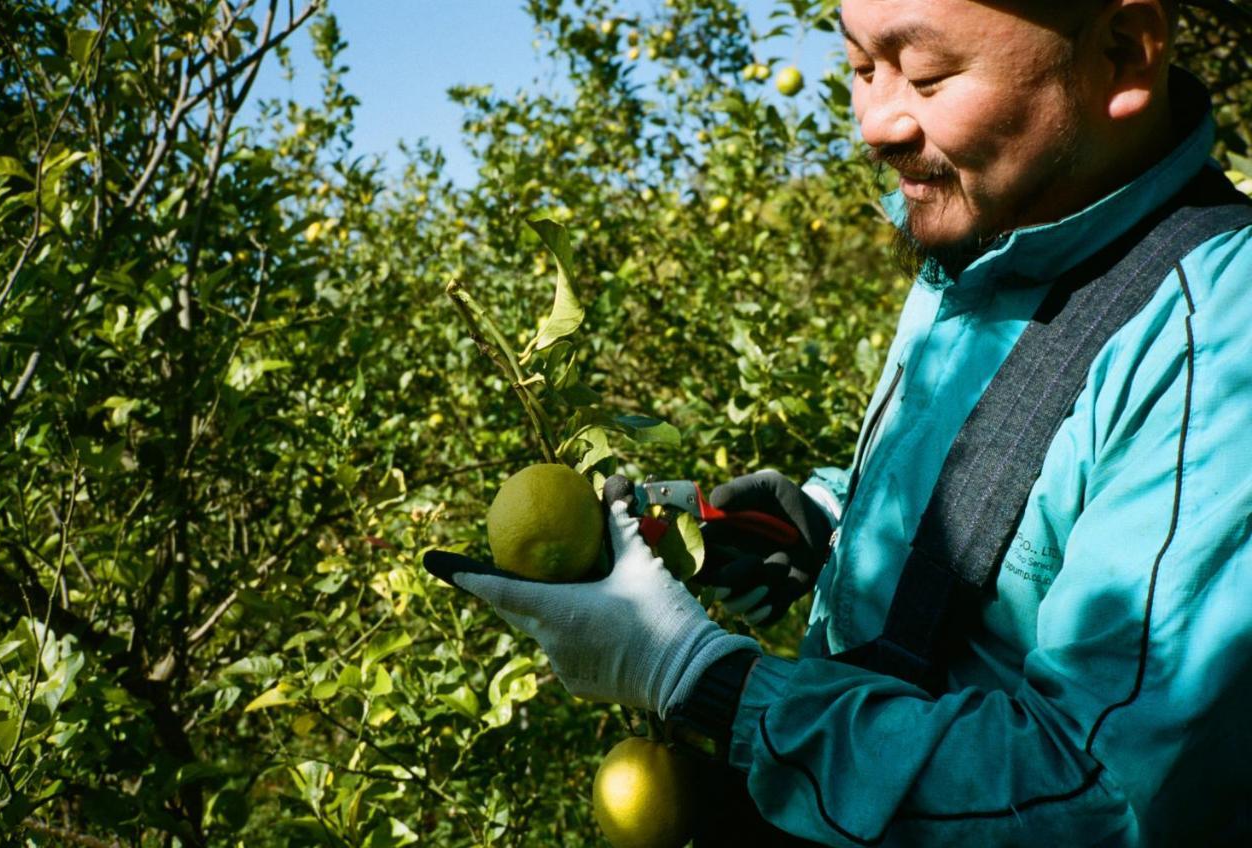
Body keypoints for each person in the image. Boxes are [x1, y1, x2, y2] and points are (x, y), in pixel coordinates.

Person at [425, 0, 1252, 844]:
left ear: (1122, 53)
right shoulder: (985, 226)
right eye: (861, 68)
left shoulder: (1223, 344)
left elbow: (1100, 796)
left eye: (926, 77)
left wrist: (706, 679)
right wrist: (825, 524)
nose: (877, 123)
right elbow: (1001, 483)